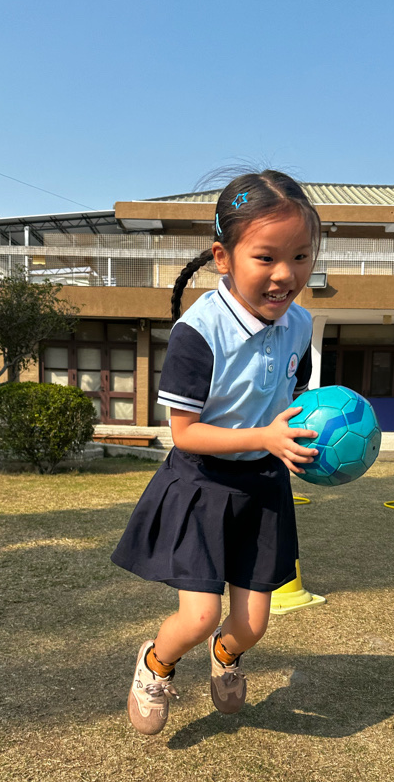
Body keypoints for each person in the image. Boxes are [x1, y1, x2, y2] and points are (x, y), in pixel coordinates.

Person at [112, 170, 322, 734]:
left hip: (263, 487)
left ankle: (226, 656)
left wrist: (312, 436)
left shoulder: (300, 324)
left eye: (301, 257)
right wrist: (264, 437)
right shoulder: (198, 332)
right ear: (223, 257)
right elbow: (184, 433)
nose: (286, 275)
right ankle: (156, 664)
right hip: (202, 484)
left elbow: (295, 396)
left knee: (252, 625)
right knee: (200, 615)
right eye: (266, 257)